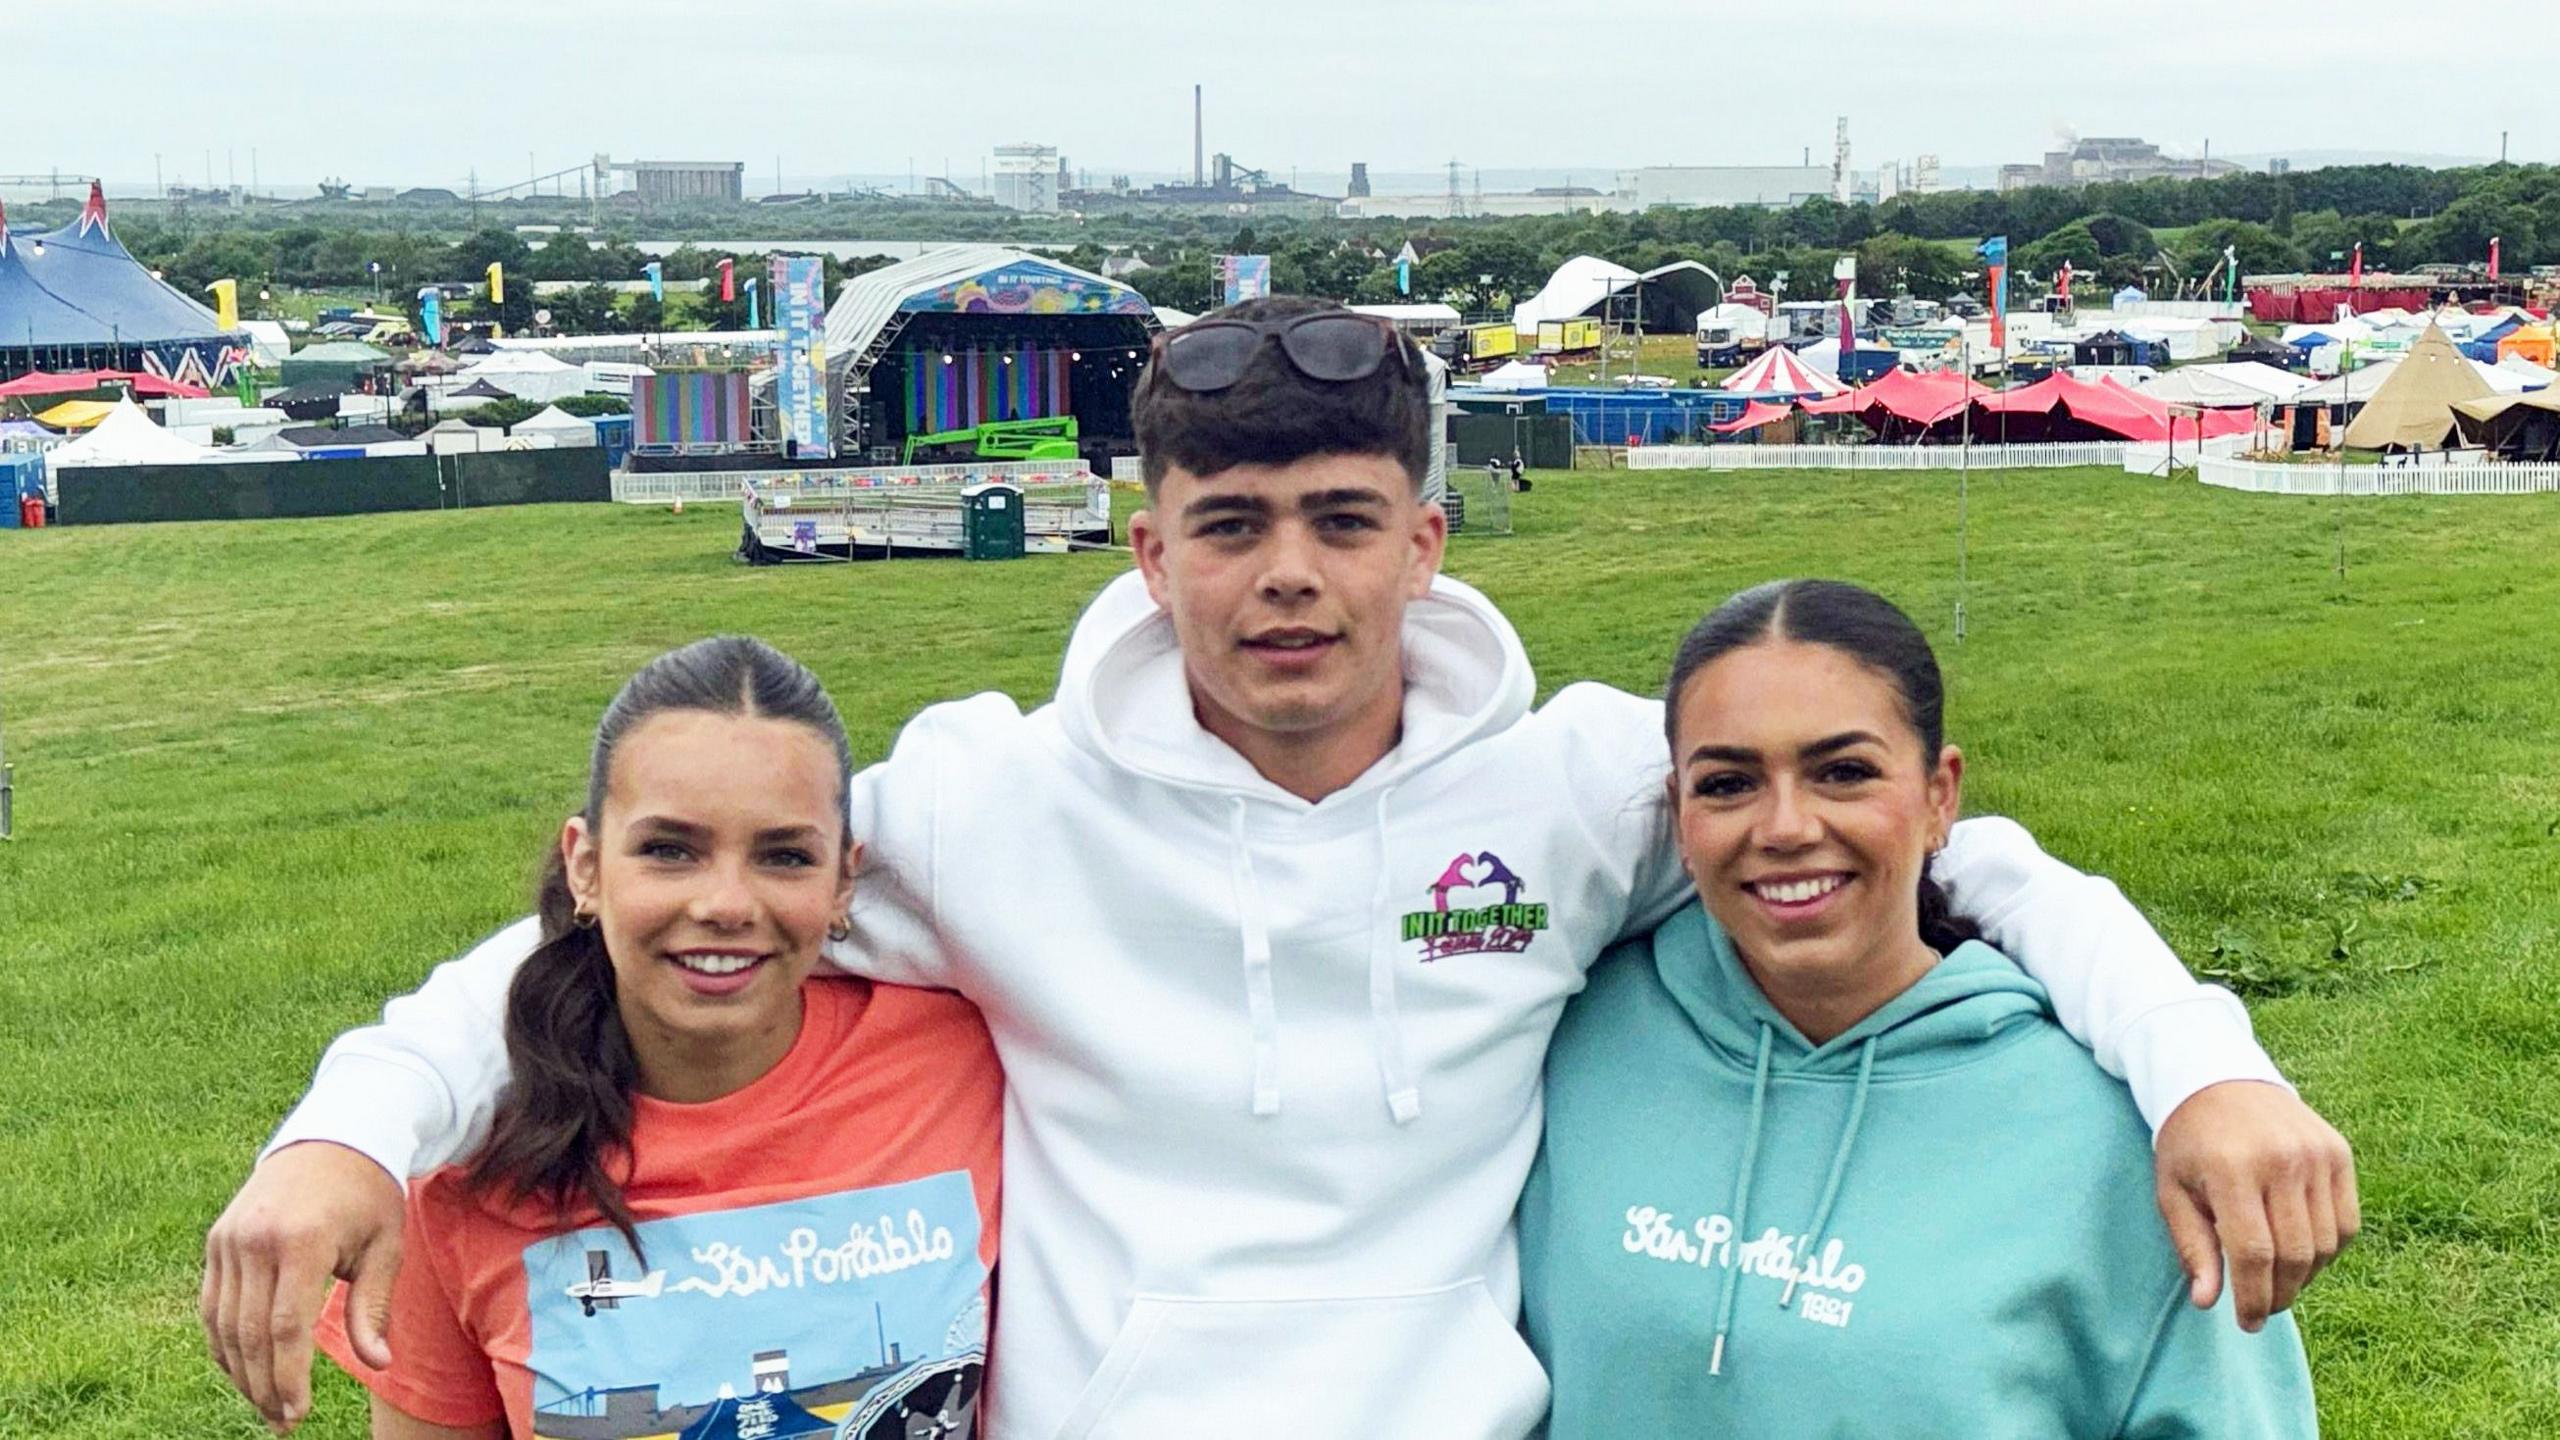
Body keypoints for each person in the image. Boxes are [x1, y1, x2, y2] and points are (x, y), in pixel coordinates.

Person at [206, 299, 2354, 1438]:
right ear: (1146, 551)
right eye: (1227, 529)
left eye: (1341, 517)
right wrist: (349, 1137)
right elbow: (664, 903)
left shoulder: (1583, 782)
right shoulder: (989, 806)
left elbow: (1963, 857)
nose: (1288, 580)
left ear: (1428, 537)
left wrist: (2200, 1069)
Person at [1520, 581, 2322, 1437]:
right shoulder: (1565, 1045)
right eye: (1728, 783)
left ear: (1941, 796)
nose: (1786, 825)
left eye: (1844, 772)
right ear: (1678, 817)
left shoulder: (2121, 1140)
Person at [289, 636, 1002, 1438]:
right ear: (585, 866)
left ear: (845, 880)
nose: (726, 902)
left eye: (784, 856)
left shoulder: (962, 1062)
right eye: (669, 850)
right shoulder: (469, 1169)